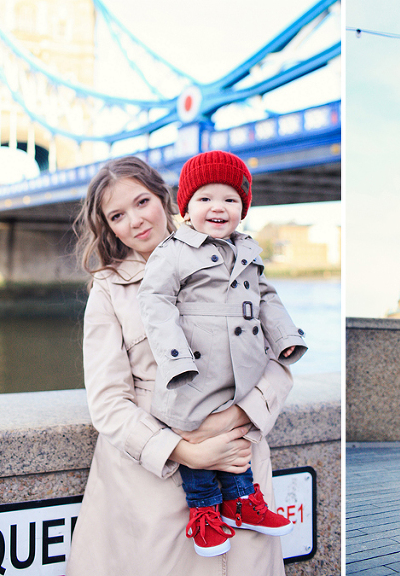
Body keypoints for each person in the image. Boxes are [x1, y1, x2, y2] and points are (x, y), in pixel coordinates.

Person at [67, 155, 293, 575]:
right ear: (109, 227)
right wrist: (188, 451)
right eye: (117, 215)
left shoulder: (235, 258)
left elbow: (277, 360)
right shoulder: (109, 290)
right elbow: (107, 401)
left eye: (142, 202)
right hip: (151, 484)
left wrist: (234, 418)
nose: (135, 220)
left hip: (238, 459)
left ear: (165, 198)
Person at [137, 150, 307, 556]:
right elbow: (155, 302)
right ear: (186, 208)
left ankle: (242, 501)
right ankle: (204, 512)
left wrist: (284, 336)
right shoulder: (174, 250)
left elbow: (266, 297)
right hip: (194, 371)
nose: (218, 207)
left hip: (240, 369)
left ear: (242, 209)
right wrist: (176, 359)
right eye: (205, 198)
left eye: (230, 199)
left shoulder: (248, 250)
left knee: (235, 437)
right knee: (195, 435)